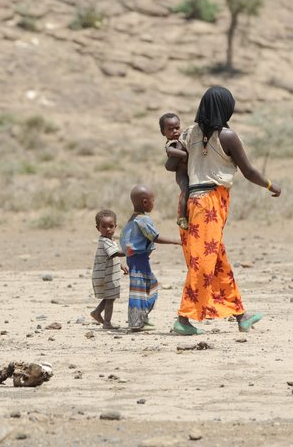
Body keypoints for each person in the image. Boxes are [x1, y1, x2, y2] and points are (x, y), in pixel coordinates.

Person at [166, 86, 281, 336]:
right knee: (203, 262)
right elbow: (249, 171)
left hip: (192, 200)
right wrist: (271, 185)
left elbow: (179, 172)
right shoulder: (227, 136)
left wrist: (185, 202)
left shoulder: (187, 134)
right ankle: (184, 318)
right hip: (210, 202)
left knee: (217, 259)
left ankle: (240, 315)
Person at [120, 185, 182, 331]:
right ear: (145, 202)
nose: (154, 203)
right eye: (153, 200)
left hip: (134, 259)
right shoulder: (143, 220)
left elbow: (126, 241)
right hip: (139, 259)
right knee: (145, 288)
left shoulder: (132, 219)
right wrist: (177, 241)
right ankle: (137, 322)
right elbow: (155, 237)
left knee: (142, 287)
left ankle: (142, 318)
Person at [90, 209, 129, 329]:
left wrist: (121, 265)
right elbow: (114, 254)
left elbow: (112, 257)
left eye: (111, 226)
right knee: (110, 299)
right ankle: (107, 322)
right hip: (105, 276)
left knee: (109, 297)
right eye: (104, 226)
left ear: (115, 226)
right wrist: (131, 252)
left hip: (106, 275)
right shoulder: (105, 241)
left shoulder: (110, 241)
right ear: (98, 228)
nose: (108, 229)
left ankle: (97, 312)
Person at [159, 113, 189, 230]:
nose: (175, 131)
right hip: (181, 174)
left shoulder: (182, 139)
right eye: (170, 129)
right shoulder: (171, 143)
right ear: (163, 132)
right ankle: (181, 217)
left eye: (177, 128)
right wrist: (184, 155)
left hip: (188, 172)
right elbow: (170, 151)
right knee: (185, 190)